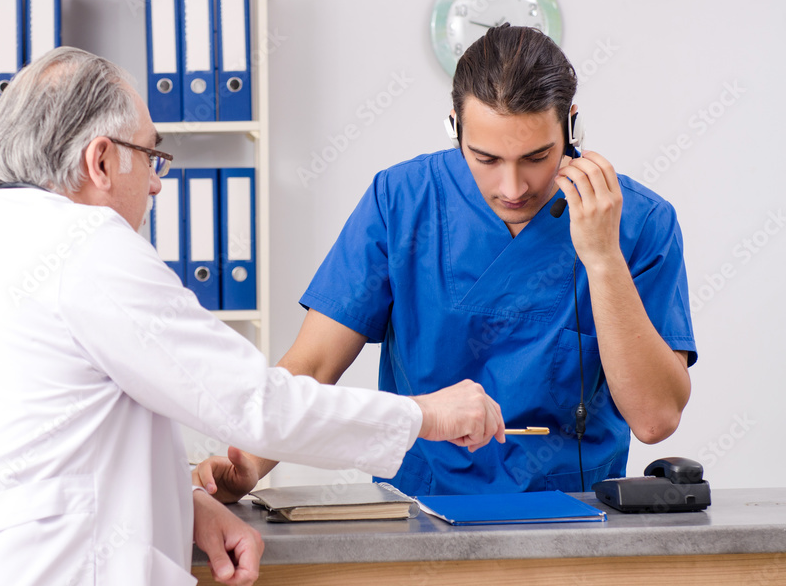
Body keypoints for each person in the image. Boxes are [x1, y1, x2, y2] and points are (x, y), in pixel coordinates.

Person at [0, 47, 506, 586]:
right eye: (151, 155)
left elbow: (48, 438)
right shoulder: (85, 245)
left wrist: (186, 504)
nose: (154, 182)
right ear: (99, 159)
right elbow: (254, 405)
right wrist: (425, 416)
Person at [195, 25, 696, 501]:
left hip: (576, 520)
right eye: (486, 159)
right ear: (454, 129)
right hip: (420, 517)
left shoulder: (641, 223)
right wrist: (249, 462)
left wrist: (604, 260)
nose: (513, 187)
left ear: (572, 126)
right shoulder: (401, 201)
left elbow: (654, 420)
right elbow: (315, 363)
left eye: (537, 156)